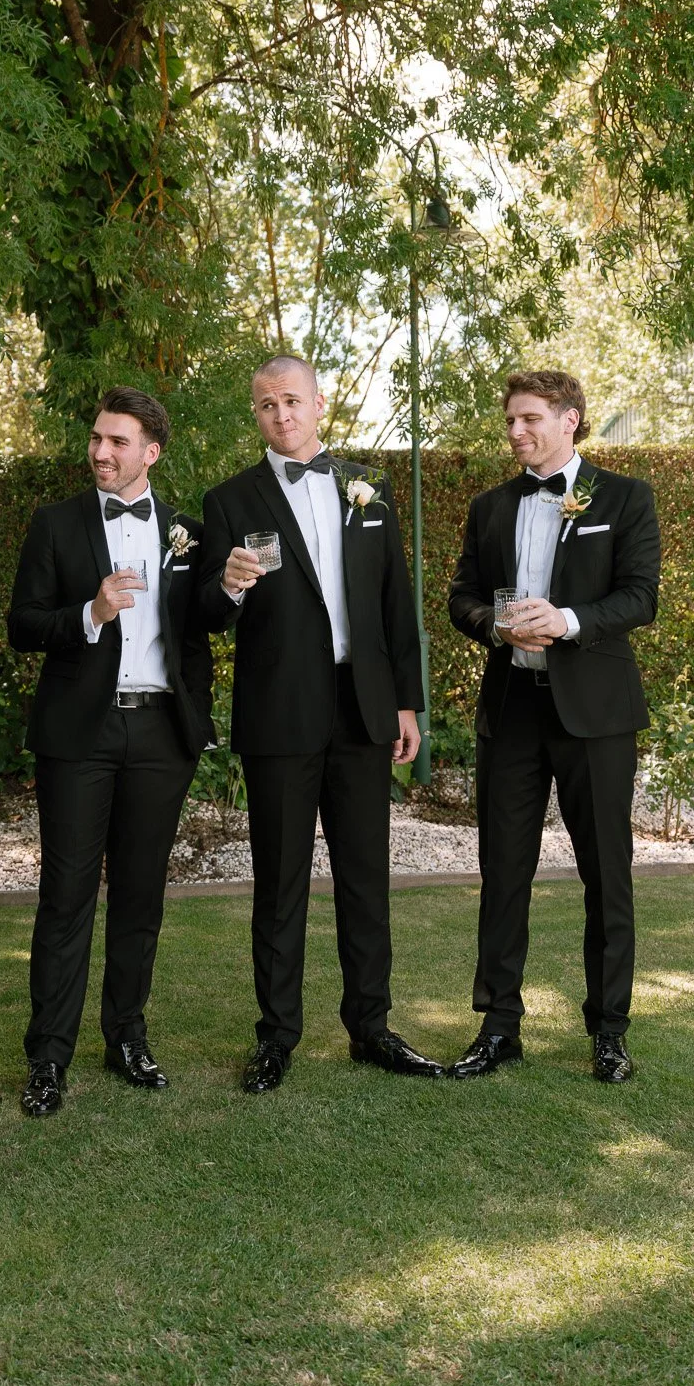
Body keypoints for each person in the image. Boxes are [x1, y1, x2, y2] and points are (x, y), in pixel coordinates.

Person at [197, 356, 442, 1090]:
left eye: (292, 401)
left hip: (363, 708)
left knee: (365, 879)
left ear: (318, 403)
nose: (281, 415)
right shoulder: (228, 499)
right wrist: (227, 587)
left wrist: (406, 703)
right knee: (279, 883)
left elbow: (395, 600)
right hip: (280, 713)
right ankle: (276, 1037)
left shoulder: (368, 488)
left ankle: (372, 1028)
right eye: (266, 405)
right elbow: (204, 615)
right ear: (256, 414)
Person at [446, 369, 660, 1083]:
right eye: (510, 420)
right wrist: (495, 625)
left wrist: (565, 620)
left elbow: (639, 597)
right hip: (511, 710)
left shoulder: (623, 497)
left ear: (570, 419)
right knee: (503, 872)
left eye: (529, 418)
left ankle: (609, 1031)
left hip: (595, 717)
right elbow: (462, 596)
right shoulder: (488, 506)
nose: (515, 432)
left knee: (606, 874)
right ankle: (497, 1027)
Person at [7, 388, 214, 1118]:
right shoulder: (55, 523)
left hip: (161, 733)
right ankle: (48, 1056)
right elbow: (23, 625)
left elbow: (205, 622)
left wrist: (234, 590)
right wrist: (88, 613)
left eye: (117, 442)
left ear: (150, 452)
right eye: (97, 438)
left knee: (140, 893)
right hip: (80, 735)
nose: (100, 452)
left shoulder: (188, 532)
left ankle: (126, 1037)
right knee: (65, 895)